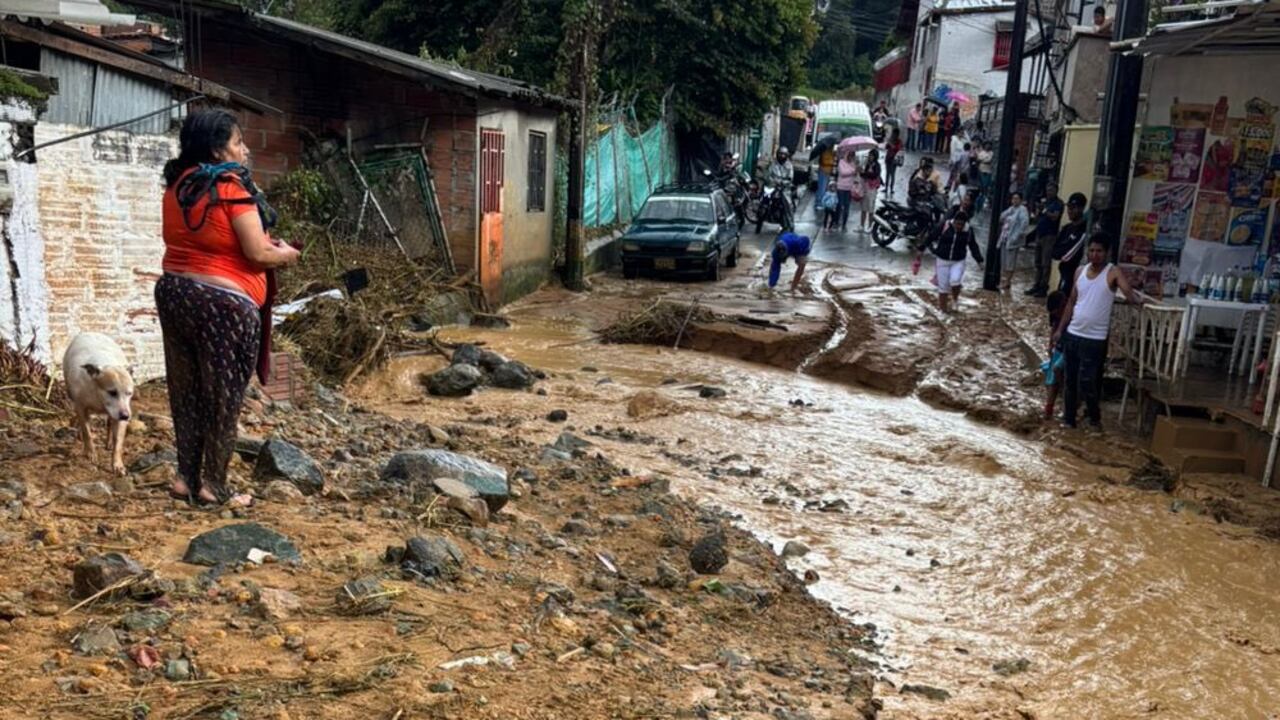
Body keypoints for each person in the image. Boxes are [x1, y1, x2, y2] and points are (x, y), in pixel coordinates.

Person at [158, 109, 301, 507]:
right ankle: (214, 486)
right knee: (223, 397)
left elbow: (206, 240)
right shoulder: (230, 186)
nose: (245, 150)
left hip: (174, 293)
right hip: (224, 305)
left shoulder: (177, 187)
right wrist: (287, 254)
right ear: (218, 149)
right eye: (239, 142)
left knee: (186, 391)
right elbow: (258, 253)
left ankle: (186, 478)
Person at [1051, 233, 1144, 428]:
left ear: (1107, 253)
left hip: (1095, 339)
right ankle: (1069, 420)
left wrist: (1137, 301)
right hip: (1073, 334)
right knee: (1070, 381)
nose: (1095, 255)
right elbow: (1071, 303)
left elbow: (1127, 292)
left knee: (1088, 381)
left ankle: (1094, 418)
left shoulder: (1113, 272)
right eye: (1092, 250)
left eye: (1099, 251)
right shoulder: (1079, 272)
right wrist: (1060, 330)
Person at [932, 210, 984, 313]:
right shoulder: (945, 226)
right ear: (954, 221)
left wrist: (979, 260)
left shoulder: (968, 231)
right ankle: (943, 310)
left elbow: (973, 246)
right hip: (942, 260)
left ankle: (955, 299)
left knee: (955, 281)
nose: (959, 226)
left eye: (961, 224)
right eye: (957, 223)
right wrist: (921, 249)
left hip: (958, 261)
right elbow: (932, 236)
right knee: (943, 287)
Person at [1026, 183, 1064, 297]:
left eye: (1051, 190)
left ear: (1056, 191)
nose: (1049, 192)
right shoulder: (1045, 202)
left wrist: (1044, 211)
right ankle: (1036, 285)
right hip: (1040, 234)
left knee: (1045, 263)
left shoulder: (1058, 203)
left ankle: (1043, 287)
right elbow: (1038, 217)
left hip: (1050, 236)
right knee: (1038, 262)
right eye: (1048, 190)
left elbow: (1055, 217)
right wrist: (1038, 210)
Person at [1053, 192, 1090, 296]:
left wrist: (1063, 250)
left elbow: (1069, 254)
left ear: (1081, 208)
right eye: (1069, 208)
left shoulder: (1085, 230)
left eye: (1073, 208)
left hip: (1077, 275)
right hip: (1065, 273)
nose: (1070, 211)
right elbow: (1055, 252)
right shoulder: (1066, 228)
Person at [997, 191, 1030, 290]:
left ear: (1021, 200)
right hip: (1004, 238)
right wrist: (1008, 212)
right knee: (1004, 261)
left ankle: (1007, 281)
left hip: (1012, 240)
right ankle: (1004, 280)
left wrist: (1016, 237)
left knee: (1010, 262)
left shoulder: (1022, 210)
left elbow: (1024, 224)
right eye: (1013, 198)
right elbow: (1001, 217)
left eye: (1017, 198)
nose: (1014, 200)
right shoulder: (1011, 209)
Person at [1043, 290, 1067, 419]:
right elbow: (1053, 327)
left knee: (1057, 369)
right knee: (1051, 380)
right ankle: (1048, 409)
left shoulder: (1072, 313)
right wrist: (1050, 344)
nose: (1056, 315)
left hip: (1069, 349)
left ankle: (1066, 402)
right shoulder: (1055, 315)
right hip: (1059, 348)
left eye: (1057, 312)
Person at [859, 148, 883, 232]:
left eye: (871, 155)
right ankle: (861, 225)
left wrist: (865, 173)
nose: (870, 157)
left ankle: (870, 226)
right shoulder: (867, 164)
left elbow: (875, 175)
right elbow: (864, 175)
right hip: (865, 186)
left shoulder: (877, 165)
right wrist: (861, 172)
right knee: (863, 207)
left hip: (872, 188)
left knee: (870, 208)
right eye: (869, 155)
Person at [836, 149, 859, 232]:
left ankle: (844, 224)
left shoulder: (853, 164)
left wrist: (856, 171)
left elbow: (855, 175)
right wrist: (853, 171)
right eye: (850, 155)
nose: (851, 157)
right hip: (841, 187)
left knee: (847, 207)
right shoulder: (841, 162)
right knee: (840, 205)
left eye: (852, 156)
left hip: (849, 188)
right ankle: (836, 221)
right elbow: (843, 173)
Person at [976, 142, 995, 215]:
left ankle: (985, 198)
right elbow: (979, 159)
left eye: (989, 145)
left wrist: (983, 160)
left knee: (986, 186)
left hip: (988, 171)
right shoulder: (982, 152)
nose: (988, 146)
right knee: (981, 186)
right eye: (986, 145)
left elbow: (989, 160)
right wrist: (983, 160)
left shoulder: (991, 153)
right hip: (981, 170)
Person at [817, 142, 837, 206]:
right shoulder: (825, 152)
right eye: (832, 145)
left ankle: (821, 202)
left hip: (828, 172)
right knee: (822, 188)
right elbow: (824, 161)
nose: (833, 146)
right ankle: (819, 203)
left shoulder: (831, 152)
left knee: (825, 188)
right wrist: (831, 162)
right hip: (823, 171)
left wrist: (834, 156)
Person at [884, 128, 904, 195]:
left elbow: (897, 149)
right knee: (887, 174)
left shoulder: (899, 141)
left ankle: (891, 189)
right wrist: (888, 143)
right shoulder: (891, 140)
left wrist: (891, 144)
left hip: (894, 160)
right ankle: (886, 188)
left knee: (892, 174)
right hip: (888, 158)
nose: (893, 134)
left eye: (894, 133)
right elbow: (886, 147)